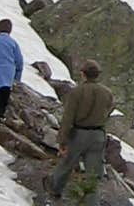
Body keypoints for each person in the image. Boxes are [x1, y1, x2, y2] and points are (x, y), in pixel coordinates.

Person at [46, 60, 115, 197]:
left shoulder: (77, 92)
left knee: (67, 163)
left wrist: (62, 140)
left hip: (79, 134)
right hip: (98, 136)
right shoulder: (107, 93)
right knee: (93, 175)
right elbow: (109, 110)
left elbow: (68, 118)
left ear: (83, 74)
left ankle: (54, 190)